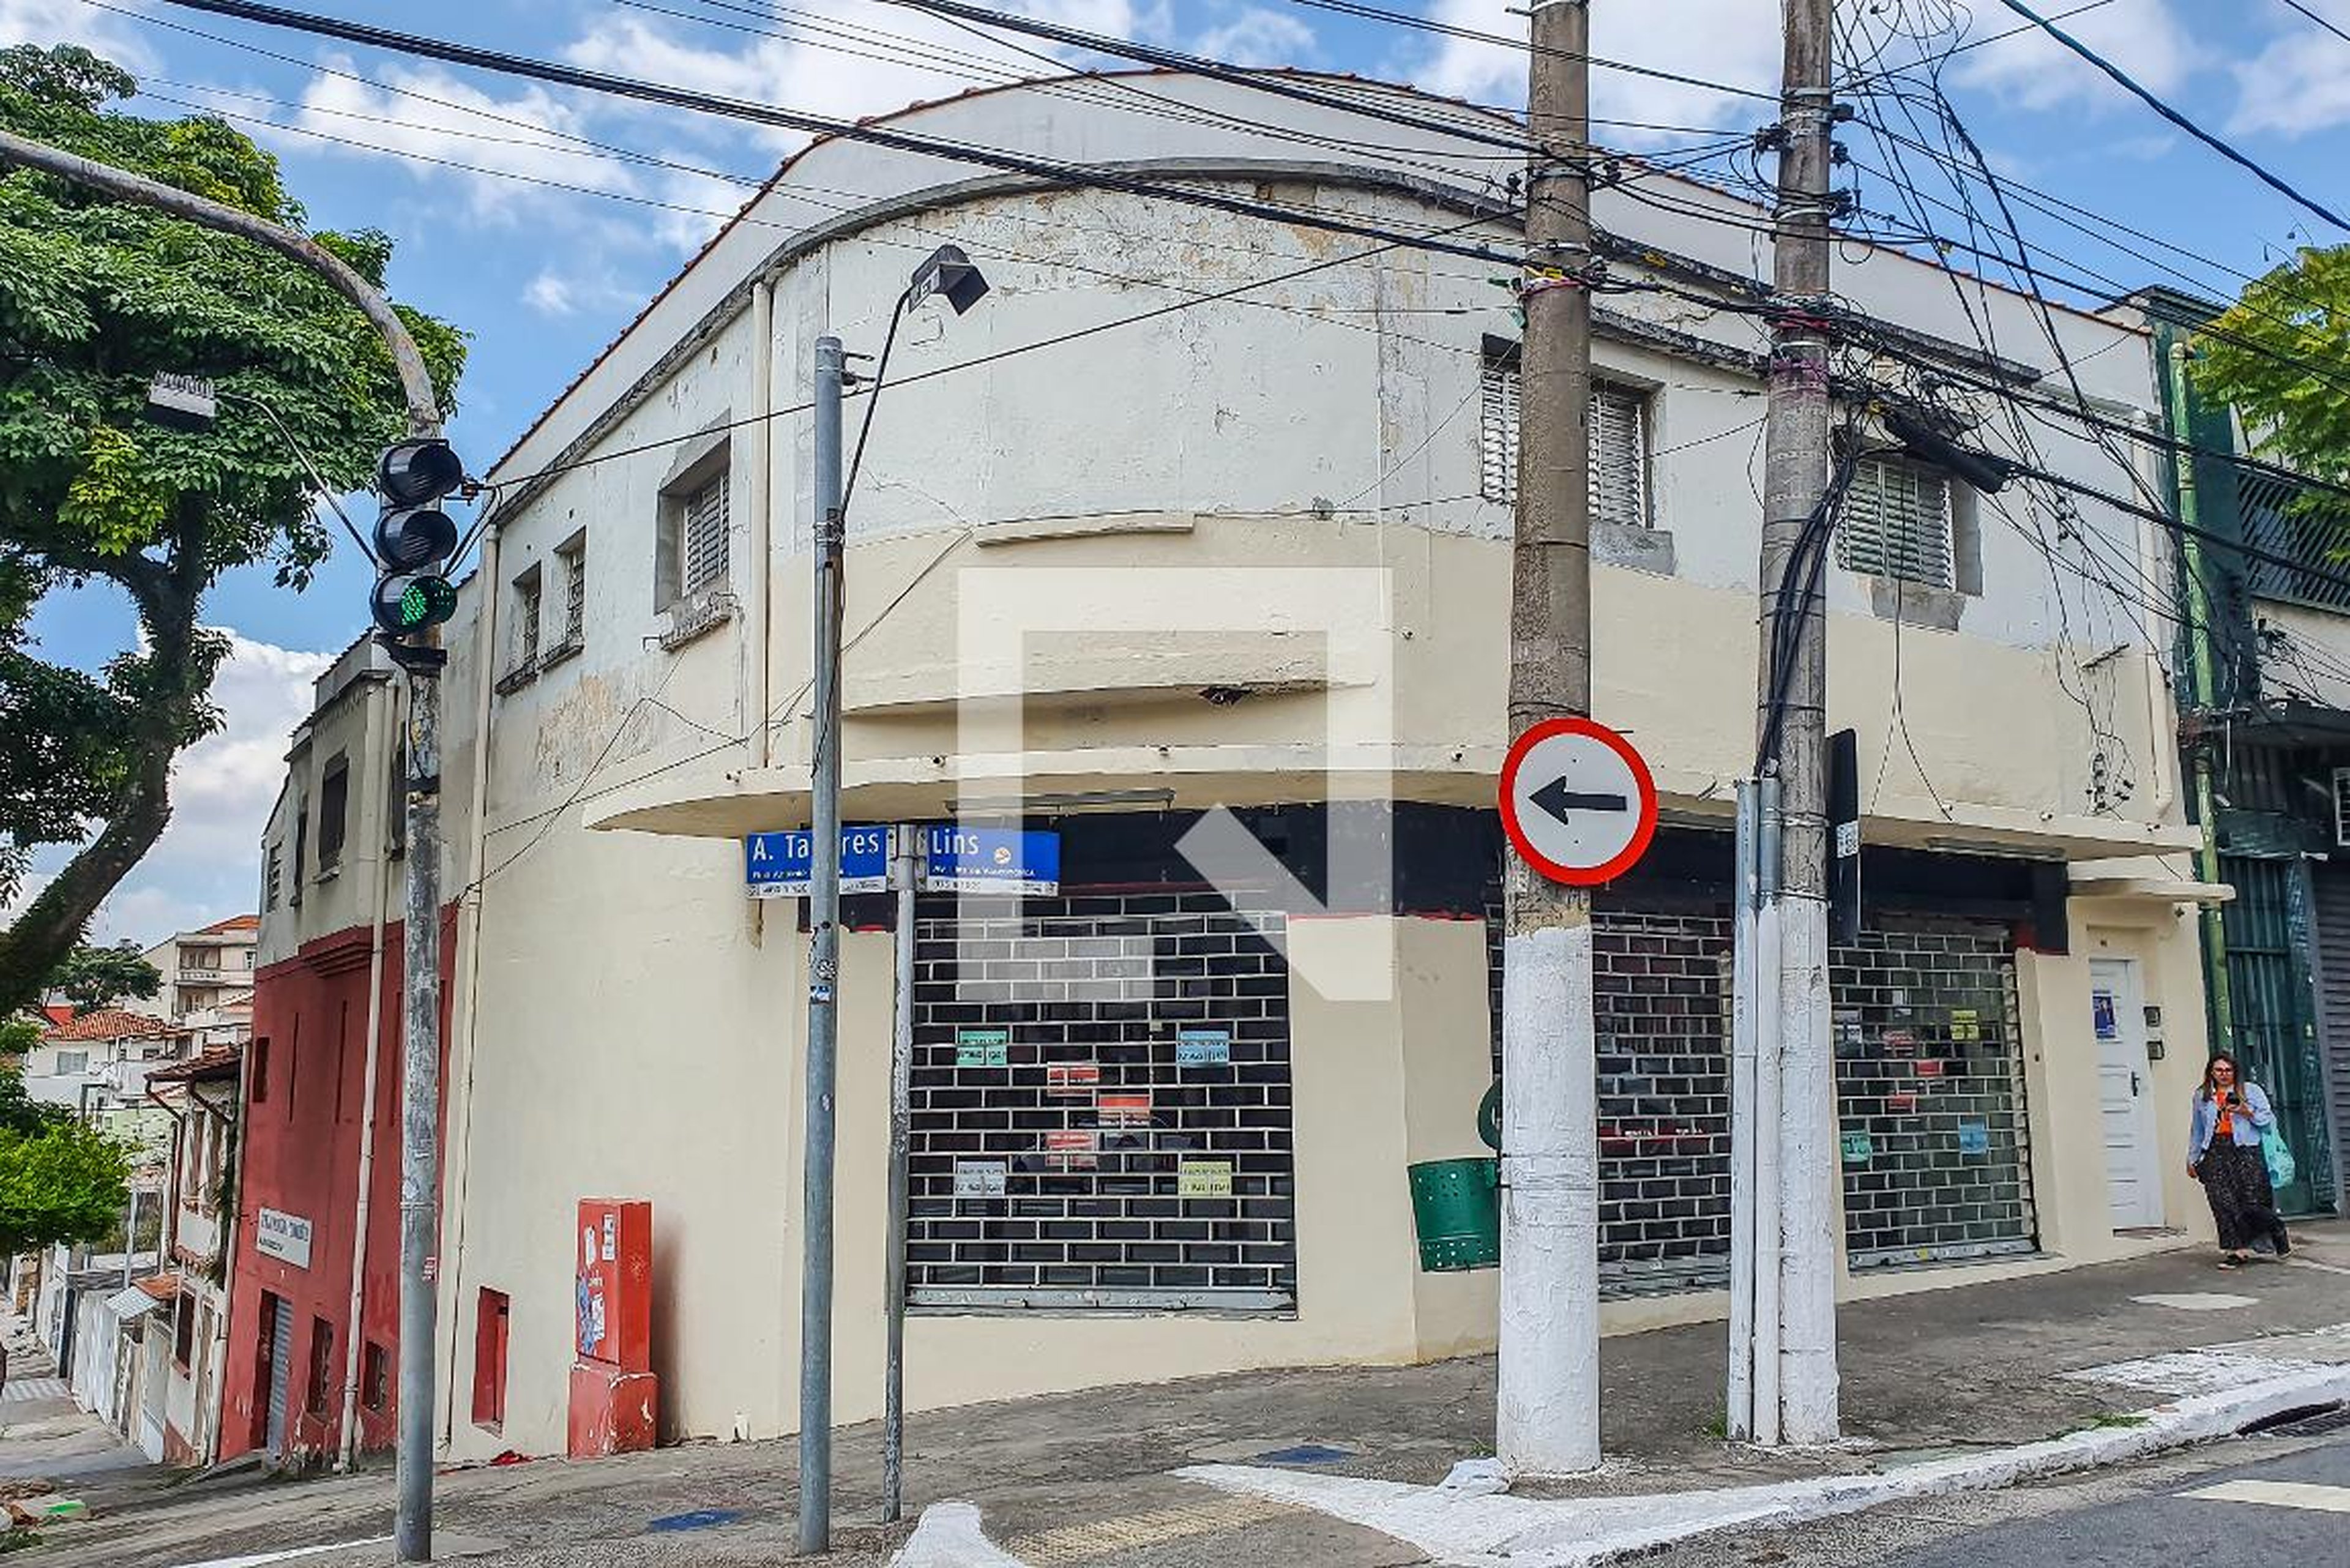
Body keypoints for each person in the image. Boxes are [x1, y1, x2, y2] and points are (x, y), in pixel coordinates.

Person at [2187, 1052, 2292, 1268]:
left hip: (2246, 1150)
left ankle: (2276, 1227)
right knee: (2222, 1202)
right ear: (2211, 1072)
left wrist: (2246, 1111)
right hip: (2215, 1150)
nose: (2224, 1075)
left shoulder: (2251, 1091)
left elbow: (2267, 1120)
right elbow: (2197, 1129)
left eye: (2228, 1070)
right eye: (2219, 1070)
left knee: (2251, 1203)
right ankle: (2236, 1251)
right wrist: (2193, 1157)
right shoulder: (2202, 1095)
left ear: (2235, 1071)